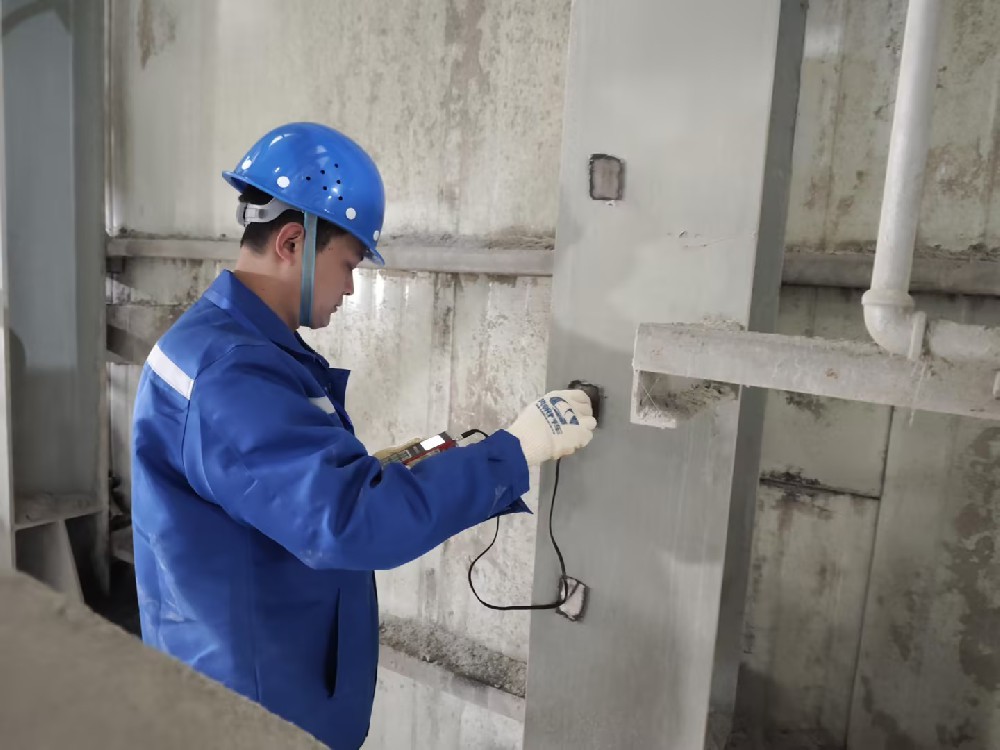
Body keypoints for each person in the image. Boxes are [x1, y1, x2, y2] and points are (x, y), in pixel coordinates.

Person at [130, 121, 596, 748]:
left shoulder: (230, 346)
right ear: (293, 241)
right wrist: (515, 450)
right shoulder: (232, 374)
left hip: (245, 668)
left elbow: (277, 486)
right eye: (348, 264)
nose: (350, 288)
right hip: (254, 703)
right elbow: (350, 521)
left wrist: (369, 472)